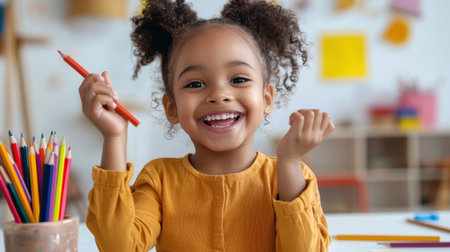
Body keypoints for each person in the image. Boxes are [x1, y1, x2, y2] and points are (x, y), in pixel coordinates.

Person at [79, 0, 334, 251]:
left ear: (266, 98)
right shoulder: (159, 180)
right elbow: (119, 246)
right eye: (195, 84)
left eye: (239, 79)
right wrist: (114, 136)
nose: (219, 94)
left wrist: (289, 163)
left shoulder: (289, 177)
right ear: (172, 107)